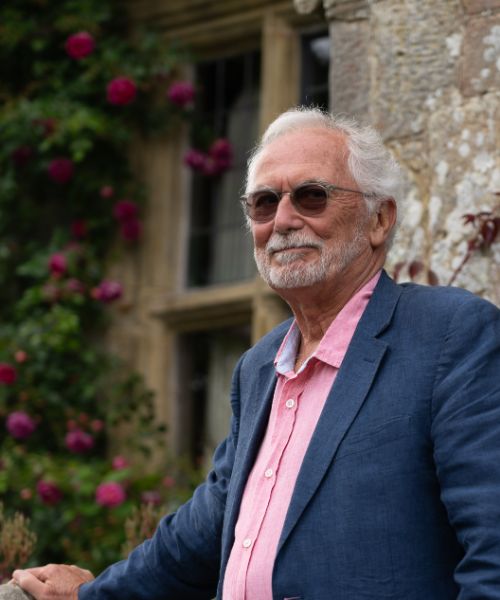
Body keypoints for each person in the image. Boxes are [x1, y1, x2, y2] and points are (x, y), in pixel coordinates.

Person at [13, 107, 500, 599]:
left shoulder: (449, 336)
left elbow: (493, 552)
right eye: (264, 203)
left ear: (379, 219)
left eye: (312, 196)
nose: (283, 221)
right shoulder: (260, 366)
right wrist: (90, 596)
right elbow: (200, 536)